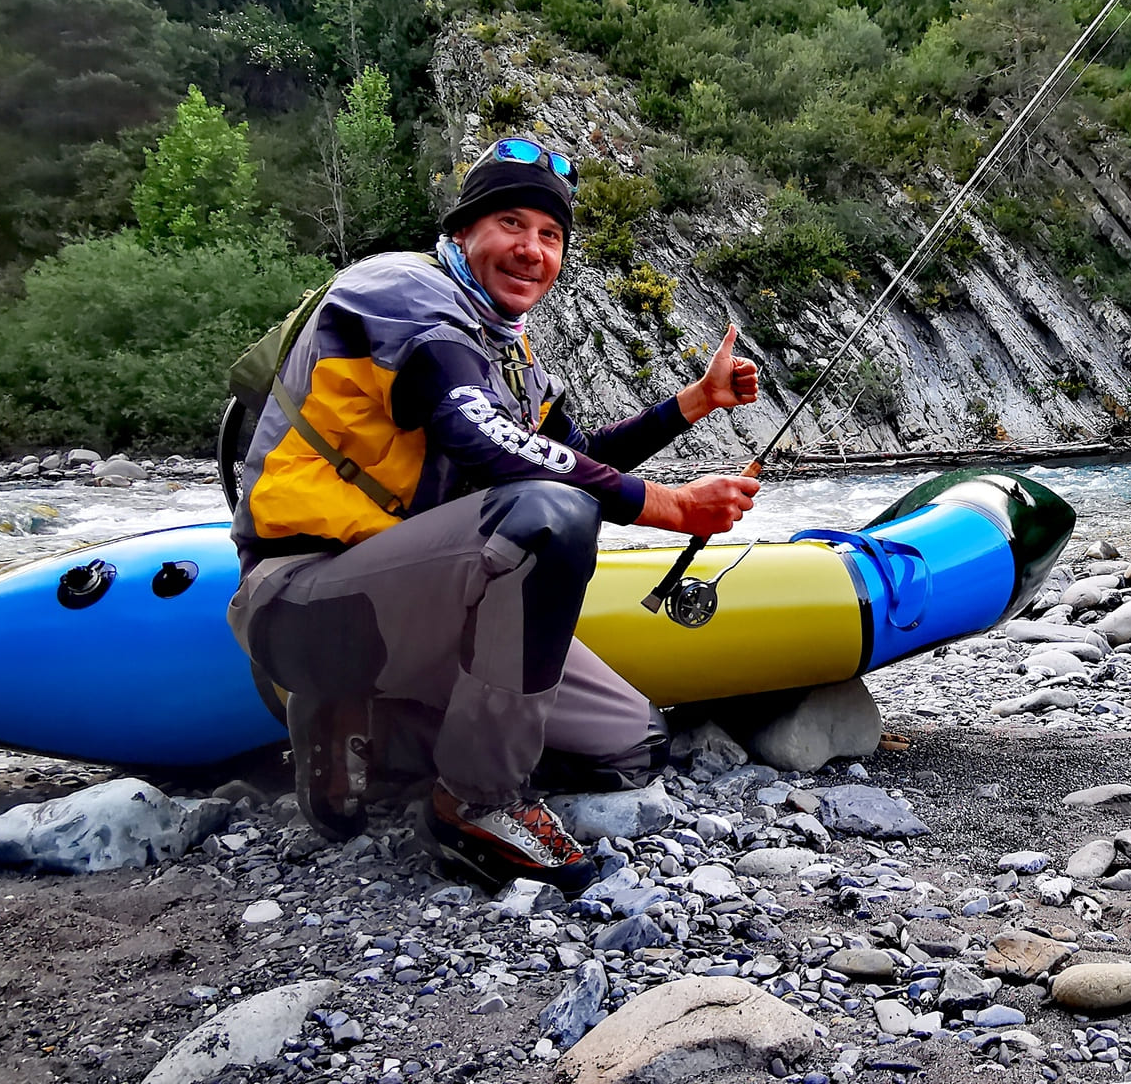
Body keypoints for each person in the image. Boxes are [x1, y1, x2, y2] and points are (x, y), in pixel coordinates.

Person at [226, 135, 762, 891]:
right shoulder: (401, 294)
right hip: (308, 602)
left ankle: (373, 734)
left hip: (419, 607)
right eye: (511, 223)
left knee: (630, 742)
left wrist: (694, 404)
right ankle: (474, 804)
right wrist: (669, 507)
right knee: (547, 517)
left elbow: (576, 450)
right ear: (460, 232)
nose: (532, 250)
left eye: (550, 236)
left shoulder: (508, 350)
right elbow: (478, 434)